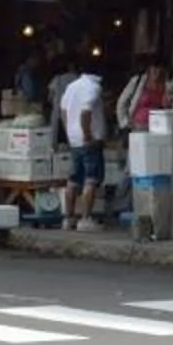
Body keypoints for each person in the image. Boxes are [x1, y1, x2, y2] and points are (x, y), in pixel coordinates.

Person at [58, 61, 107, 231]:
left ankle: (68, 218)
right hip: (89, 140)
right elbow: (86, 111)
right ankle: (86, 218)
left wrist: (69, 130)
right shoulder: (94, 87)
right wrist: (87, 133)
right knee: (90, 179)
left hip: (74, 140)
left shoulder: (72, 86)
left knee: (73, 180)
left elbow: (63, 110)